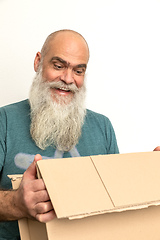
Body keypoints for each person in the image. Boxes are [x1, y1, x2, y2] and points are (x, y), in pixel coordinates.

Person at [0, 29, 119, 239]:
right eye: (58, 66)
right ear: (38, 62)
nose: (67, 79)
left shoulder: (103, 127)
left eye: (78, 71)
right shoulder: (4, 121)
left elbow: (116, 203)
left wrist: (149, 174)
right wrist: (16, 203)